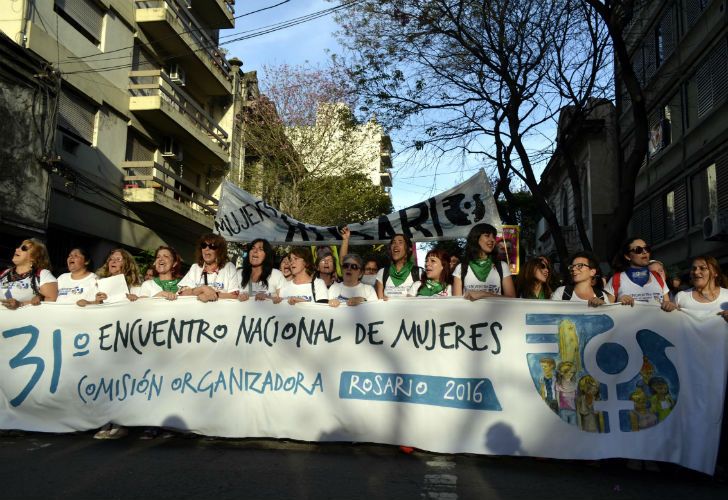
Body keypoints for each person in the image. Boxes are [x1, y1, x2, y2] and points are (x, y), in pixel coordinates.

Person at [604, 237, 676, 311]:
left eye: (646, 248)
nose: (644, 252)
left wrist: (669, 305)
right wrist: (618, 302)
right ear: (628, 256)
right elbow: (607, 310)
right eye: (638, 250)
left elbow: (667, 303)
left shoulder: (657, 277)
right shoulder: (616, 279)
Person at [452, 223, 516, 299]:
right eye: (487, 235)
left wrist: (484, 294)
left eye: (493, 237)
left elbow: (512, 298)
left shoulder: (502, 266)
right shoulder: (461, 268)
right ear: (476, 238)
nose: (492, 240)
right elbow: (456, 302)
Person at [178, 234, 239, 302]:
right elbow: (182, 293)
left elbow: (235, 295)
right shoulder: (195, 267)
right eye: (204, 245)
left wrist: (213, 295)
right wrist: (202, 289)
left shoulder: (229, 267)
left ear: (219, 251)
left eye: (212, 246)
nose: (207, 249)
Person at [1, 239, 58, 309]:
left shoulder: (42, 274)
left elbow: (52, 300)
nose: (17, 249)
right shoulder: (4, 273)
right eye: (18, 247)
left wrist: (20, 304)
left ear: (34, 257)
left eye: (23, 248)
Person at [674, 255, 728, 322]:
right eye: (694, 269)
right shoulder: (681, 296)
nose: (696, 272)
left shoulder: (726, 295)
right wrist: (668, 308)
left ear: (715, 273)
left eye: (702, 268)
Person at [375, 233, 423, 299]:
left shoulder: (419, 272)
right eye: (393, 242)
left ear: (408, 249)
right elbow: (378, 302)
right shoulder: (382, 272)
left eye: (400, 242)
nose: (395, 245)